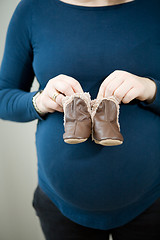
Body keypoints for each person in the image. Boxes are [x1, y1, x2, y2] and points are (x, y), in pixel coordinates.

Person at [0, 0, 160, 239]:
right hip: (60, 209)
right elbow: (3, 97)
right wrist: (40, 101)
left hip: (150, 204)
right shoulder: (33, 9)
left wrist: (150, 89)